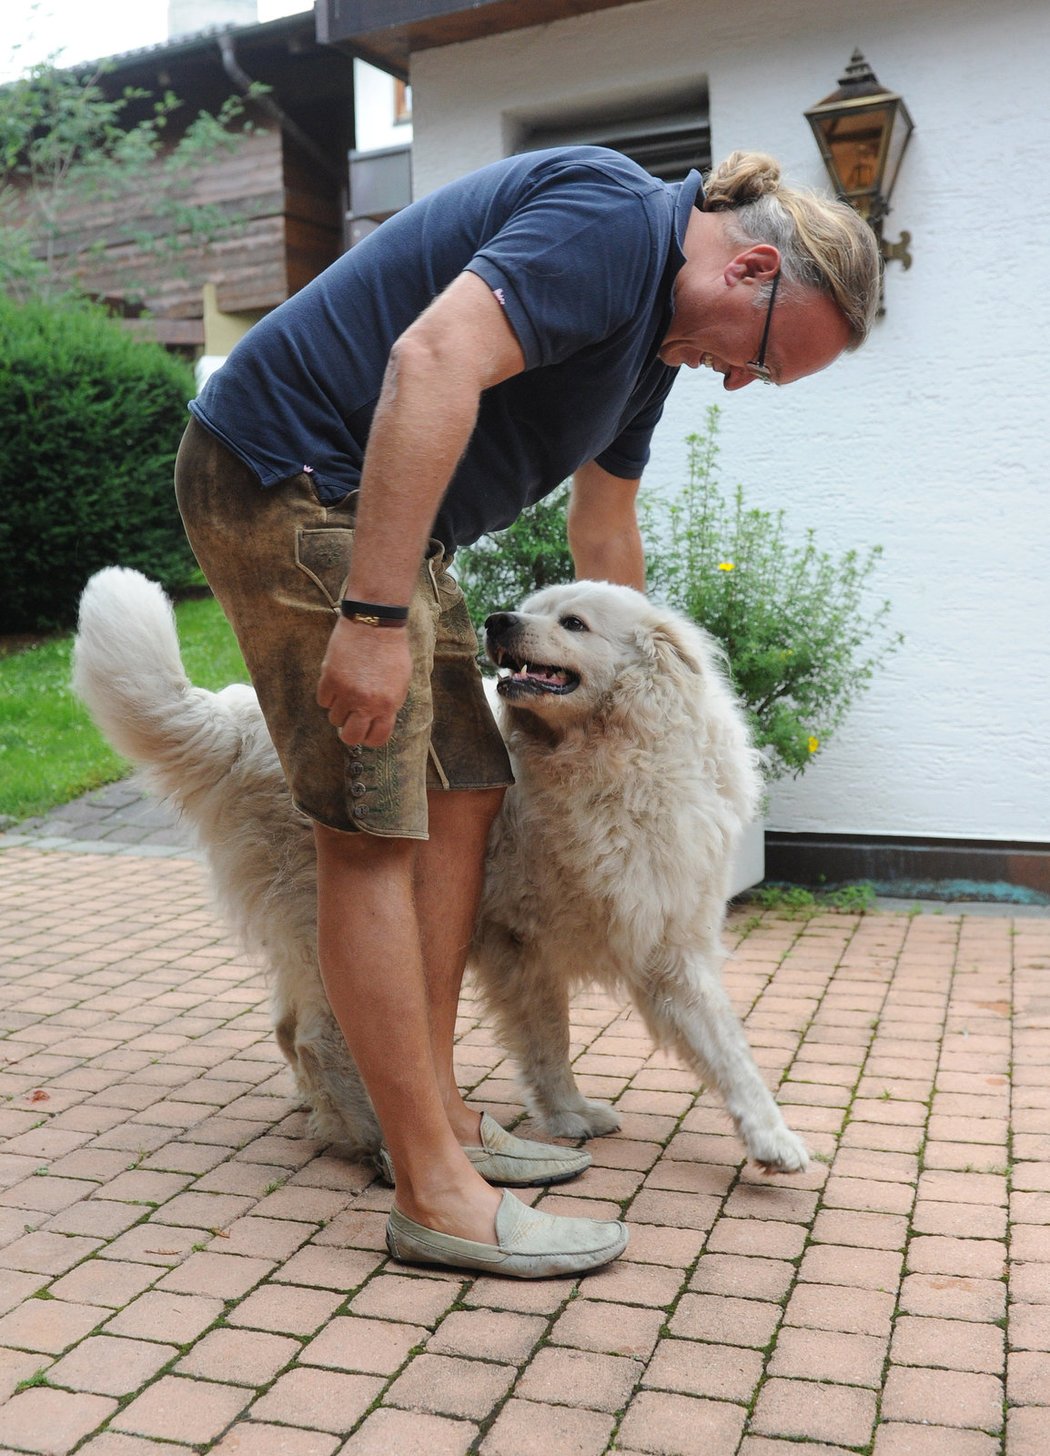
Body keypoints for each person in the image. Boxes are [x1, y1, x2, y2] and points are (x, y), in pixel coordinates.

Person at [175, 145, 880, 1278]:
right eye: (761, 361)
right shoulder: (611, 227)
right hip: (291, 478)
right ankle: (433, 1192)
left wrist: (662, 698)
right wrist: (366, 616)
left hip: (391, 520)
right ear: (750, 268)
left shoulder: (657, 344)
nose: (739, 382)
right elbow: (431, 358)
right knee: (369, 826)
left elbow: (604, 540)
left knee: (468, 787)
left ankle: (443, 1115)